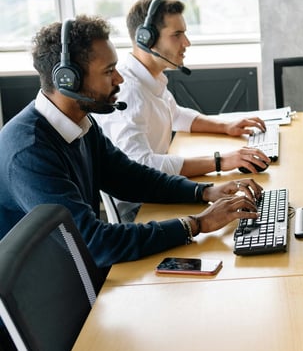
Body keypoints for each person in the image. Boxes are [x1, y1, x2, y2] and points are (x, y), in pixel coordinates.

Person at [0, 15, 262, 286]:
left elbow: (130, 177)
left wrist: (203, 192)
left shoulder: (80, 123)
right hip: (49, 298)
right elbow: (95, 243)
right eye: (108, 71)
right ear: (68, 80)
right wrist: (197, 224)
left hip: (71, 275)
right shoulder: (29, 154)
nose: (119, 78)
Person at [95, 0, 270, 213]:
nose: (186, 43)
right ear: (145, 38)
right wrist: (220, 161)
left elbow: (175, 114)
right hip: (141, 208)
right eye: (177, 35)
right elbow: (143, 166)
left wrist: (226, 126)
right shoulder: (128, 91)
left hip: (159, 189)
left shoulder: (150, 77)